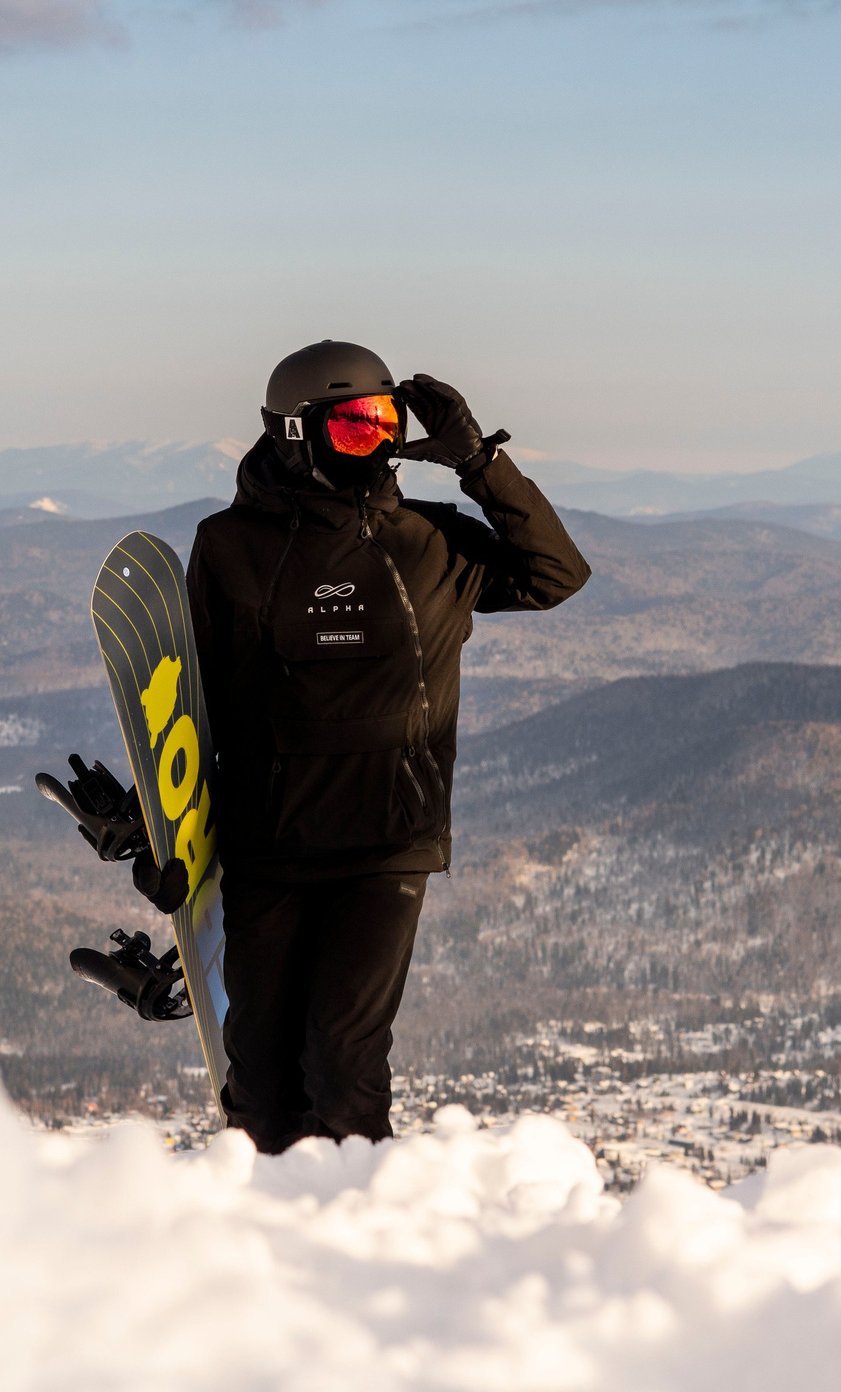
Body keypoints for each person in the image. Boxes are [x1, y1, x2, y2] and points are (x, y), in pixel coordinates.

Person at [186, 340, 590, 1153]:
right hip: (271, 844)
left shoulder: (432, 543)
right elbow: (196, 702)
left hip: (388, 844)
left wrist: (479, 463)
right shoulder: (229, 546)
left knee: (343, 1066)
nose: (375, 441)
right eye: (354, 425)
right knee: (260, 1084)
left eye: (386, 422)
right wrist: (172, 834)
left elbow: (556, 573)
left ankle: (360, 1216)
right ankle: (272, 1217)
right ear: (296, 434)